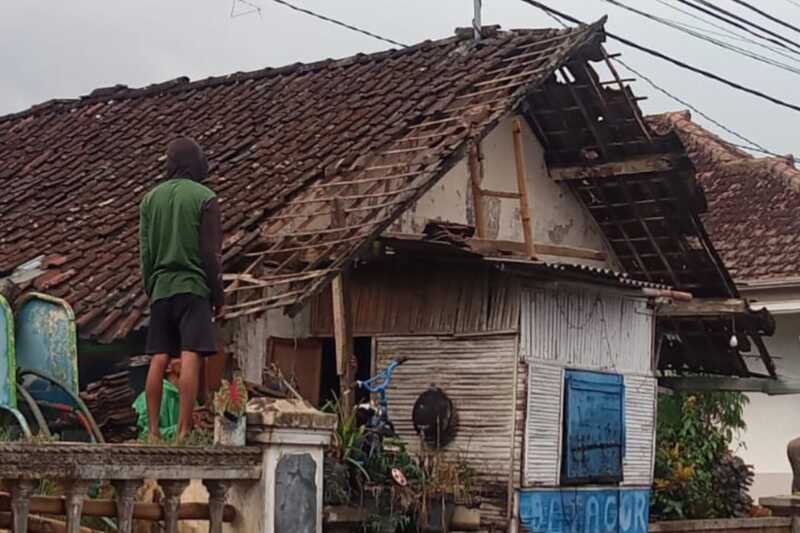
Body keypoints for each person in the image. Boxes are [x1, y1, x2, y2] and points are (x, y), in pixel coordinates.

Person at [139, 137, 224, 442]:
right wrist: (218, 295)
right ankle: (183, 430)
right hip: (193, 286)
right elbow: (210, 254)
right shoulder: (205, 198)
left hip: (161, 287)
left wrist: (152, 287)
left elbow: (146, 253)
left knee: (159, 357)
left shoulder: (150, 200)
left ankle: (152, 432)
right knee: (190, 355)